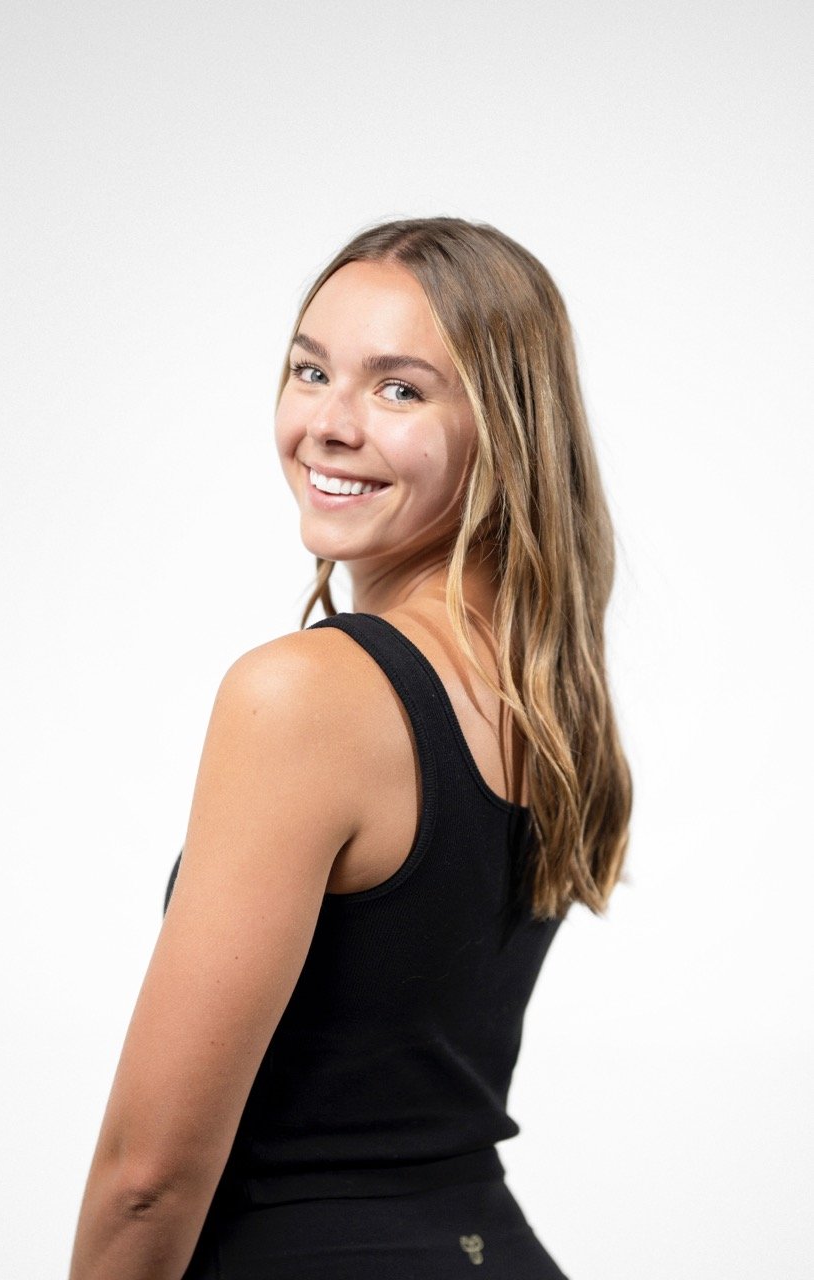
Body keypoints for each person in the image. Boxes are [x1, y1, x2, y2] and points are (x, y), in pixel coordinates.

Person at [68, 216, 633, 1279]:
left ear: (505, 428)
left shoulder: (305, 694)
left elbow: (148, 1173)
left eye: (399, 387)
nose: (327, 423)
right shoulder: (551, 697)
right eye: (309, 369)